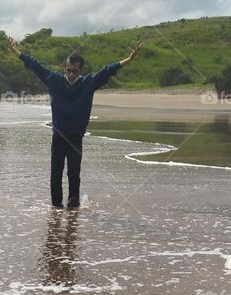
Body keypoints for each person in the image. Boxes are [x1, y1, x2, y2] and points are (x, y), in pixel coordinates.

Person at [8, 37, 143, 209]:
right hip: (58, 136)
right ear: (65, 68)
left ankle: (73, 208)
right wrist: (16, 52)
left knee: (73, 174)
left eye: (75, 71)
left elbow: (107, 71)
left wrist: (129, 60)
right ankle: (56, 208)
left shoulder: (89, 83)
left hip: (76, 138)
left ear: (82, 70)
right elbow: (35, 65)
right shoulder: (54, 80)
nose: (71, 74)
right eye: (69, 70)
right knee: (55, 175)